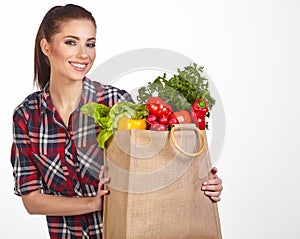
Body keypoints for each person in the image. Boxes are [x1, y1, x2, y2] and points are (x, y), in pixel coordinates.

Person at [10, 4, 223, 239]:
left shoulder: (116, 103)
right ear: (46, 47)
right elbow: (32, 200)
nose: (84, 54)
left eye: (90, 44)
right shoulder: (27, 115)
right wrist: (93, 203)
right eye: (71, 42)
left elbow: (155, 165)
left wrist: (199, 179)